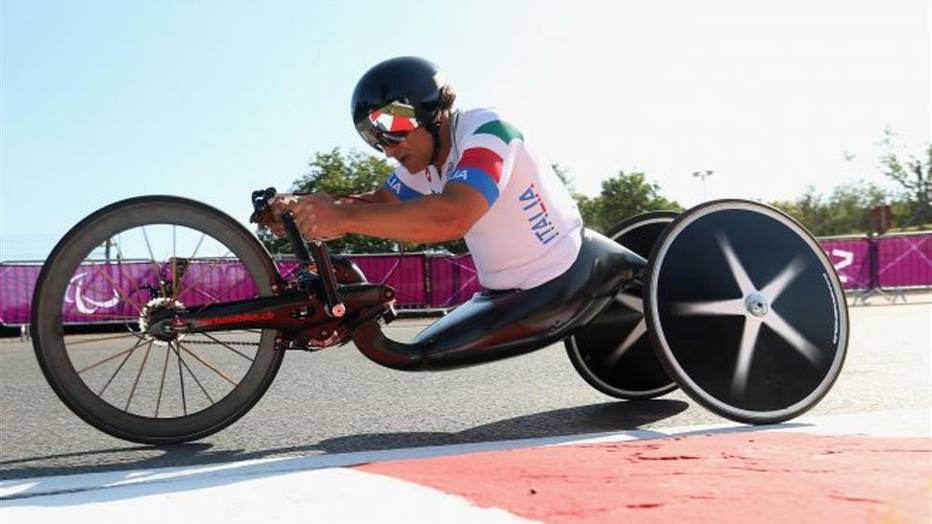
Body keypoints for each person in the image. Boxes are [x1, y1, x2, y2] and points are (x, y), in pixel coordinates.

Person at [264, 56, 583, 292]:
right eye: (374, 138)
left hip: (561, 273)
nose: (387, 149)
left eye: (390, 129)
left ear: (429, 109)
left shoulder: (490, 130)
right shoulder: (427, 158)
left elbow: (453, 216)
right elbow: (380, 204)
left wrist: (343, 217)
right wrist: (305, 211)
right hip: (500, 291)